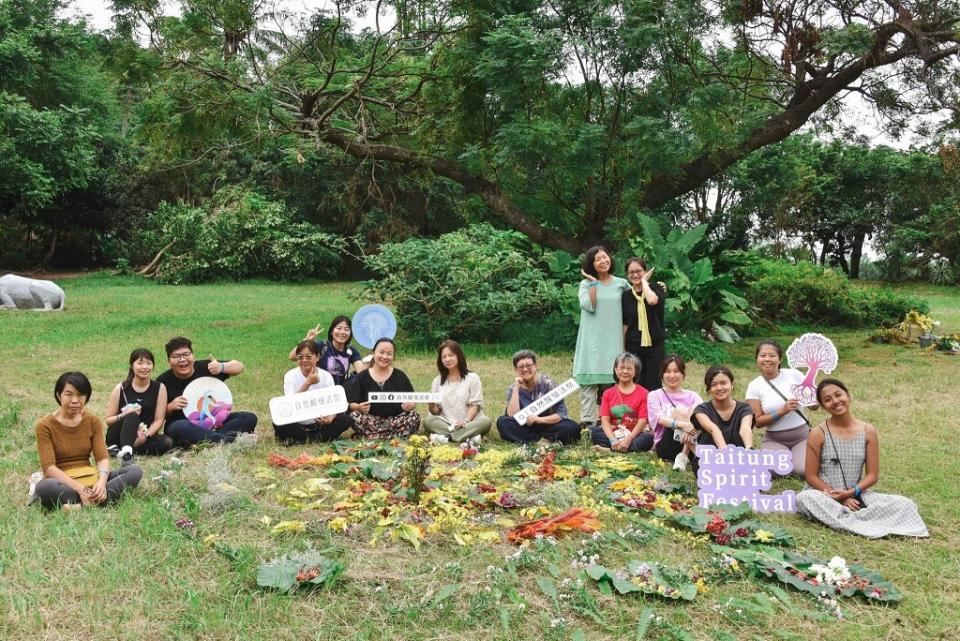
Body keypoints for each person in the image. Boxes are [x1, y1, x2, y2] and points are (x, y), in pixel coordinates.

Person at [796, 379, 928, 538]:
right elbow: (811, 476)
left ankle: (847, 519)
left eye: (838, 395)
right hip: (824, 494)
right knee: (804, 498)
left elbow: (872, 475)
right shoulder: (818, 433)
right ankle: (862, 520)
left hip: (857, 495)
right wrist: (838, 497)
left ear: (848, 396)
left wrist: (850, 493)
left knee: (905, 504)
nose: (835, 401)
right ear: (823, 406)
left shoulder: (868, 431)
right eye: (828, 399)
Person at [34, 372, 142, 510]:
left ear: (87, 397)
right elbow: (49, 467)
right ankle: (98, 501)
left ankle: (79, 506)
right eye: (69, 394)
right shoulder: (44, 425)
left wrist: (102, 483)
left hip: (92, 478)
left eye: (80, 395)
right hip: (64, 482)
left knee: (134, 471)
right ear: (58, 395)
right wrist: (80, 489)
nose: (75, 400)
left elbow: (102, 458)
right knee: (44, 488)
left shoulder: (92, 420)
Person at [156, 336, 258, 446]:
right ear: (169, 362)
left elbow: (239, 367)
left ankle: (211, 439)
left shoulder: (207, 367)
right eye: (176, 356)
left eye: (186, 354)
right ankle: (228, 439)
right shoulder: (163, 381)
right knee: (178, 428)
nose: (182, 359)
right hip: (184, 424)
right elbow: (157, 416)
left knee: (249, 417)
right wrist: (170, 406)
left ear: (193, 356)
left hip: (215, 421)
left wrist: (222, 367)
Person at [573, 246, 630, 426]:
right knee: (589, 382)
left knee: (612, 381)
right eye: (598, 259)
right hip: (592, 340)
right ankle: (587, 422)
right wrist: (593, 284)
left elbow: (638, 298)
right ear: (592, 264)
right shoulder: (585, 284)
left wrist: (656, 287)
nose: (603, 261)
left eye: (605, 257)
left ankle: (610, 419)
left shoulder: (621, 284)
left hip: (614, 339)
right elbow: (589, 305)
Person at [745, 340, 812, 478]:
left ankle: (799, 456)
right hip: (775, 439)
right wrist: (782, 411)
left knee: (803, 471)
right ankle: (765, 455)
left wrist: (809, 397)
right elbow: (757, 422)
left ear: (780, 359)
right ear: (757, 359)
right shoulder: (754, 386)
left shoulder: (794, 375)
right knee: (771, 470)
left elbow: (815, 406)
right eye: (763, 355)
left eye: (772, 355)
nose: (767, 359)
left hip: (802, 437)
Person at [274, 340, 355, 444]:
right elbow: (289, 403)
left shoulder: (326, 376)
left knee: (346, 419)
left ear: (317, 357)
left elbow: (335, 403)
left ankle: (302, 439)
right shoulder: (290, 375)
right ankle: (317, 438)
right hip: (297, 423)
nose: (304, 360)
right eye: (300, 357)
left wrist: (330, 418)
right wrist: (307, 383)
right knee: (278, 422)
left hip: (320, 423)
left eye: (308, 357)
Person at [496, 350, 581, 444]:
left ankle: (538, 439)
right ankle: (538, 441)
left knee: (573, 427)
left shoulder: (548, 384)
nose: (525, 369)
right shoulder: (513, 388)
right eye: (521, 367)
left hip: (547, 424)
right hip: (525, 426)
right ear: (516, 370)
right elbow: (511, 415)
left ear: (535, 366)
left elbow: (561, 414)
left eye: (528, 365)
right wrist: (517, 388)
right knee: (502, 422)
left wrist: (539, 419)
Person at [104, 348, 174, 463]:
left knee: (167, 442)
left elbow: (158, 420)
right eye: (140, 363)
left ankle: (121, 451)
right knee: (132, 416)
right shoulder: (121, 388)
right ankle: (127, 455)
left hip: (143, 435)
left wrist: (144, 437)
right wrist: (124, 414)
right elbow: (108, 420)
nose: (145, 367)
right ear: (132, 365)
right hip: (119, 435)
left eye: (148, 363)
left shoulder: (159, 388)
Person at [346, 337, 421, 439]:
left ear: (393, 357)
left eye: (389, 354)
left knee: (414, 416)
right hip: (371, 420)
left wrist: (410, 405)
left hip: (395, 420)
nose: (385, 356)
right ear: (373, 353)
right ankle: (393, 435)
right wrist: (358, 407)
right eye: (381, 352)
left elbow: (411, 400)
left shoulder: (400, 375)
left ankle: (374, 435)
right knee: (354, 416)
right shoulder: (362, 376)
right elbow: (352, 404)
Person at [690, 365, 754, 472]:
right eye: (714, 385)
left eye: (723, 383)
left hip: (739, 459)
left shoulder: (745, 408)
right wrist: (727, 458)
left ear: (732, 385)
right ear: (709, 389)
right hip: (709, 461)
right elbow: (713, 429)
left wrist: (749, 449)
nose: (719, 388)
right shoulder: (701, 410)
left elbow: (745, 428)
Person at [425, 340, 491, 443]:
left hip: (469, 422)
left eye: (451, 355)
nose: (447, 359)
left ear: (459, 356)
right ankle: (468, 437)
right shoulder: (437, 381)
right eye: (444, 357)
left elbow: (474, 405)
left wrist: (465, 422)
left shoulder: (473, 378)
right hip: (446, 423)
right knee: (428, 421)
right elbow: (436, 412)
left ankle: (447, 438)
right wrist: (431, 404)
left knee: (485, 422)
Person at [648, 355, 704, 470]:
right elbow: (659, 419)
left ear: (683, 374)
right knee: (679, 411)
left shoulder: (693, 395)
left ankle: (684, 455)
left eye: (676, 371)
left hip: (692, 442)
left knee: (697, 411)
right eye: (668, 371)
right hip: (668, 446)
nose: (672, 375)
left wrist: (689, 427)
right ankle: (699, 457)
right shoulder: (655, 395)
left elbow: (702, 416)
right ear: (662, 375)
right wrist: (683, 425)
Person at [589, 352, 652, 452]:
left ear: (635, 371)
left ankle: (609, 449)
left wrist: (629, 439)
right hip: (614, 433)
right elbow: (604, 420)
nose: (625, 371)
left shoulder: (644, 393)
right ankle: (621, 447)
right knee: (592, 431)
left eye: (629, 368)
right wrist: (612, 439)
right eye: (622, 368)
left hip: (635, 435)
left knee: (648, 439)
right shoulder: (607, 393)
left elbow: (643, 420)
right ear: (615, 370)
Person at [622, 257, 667, 392]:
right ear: (627, 275)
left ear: (645, 271)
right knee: (637, 383)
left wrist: (644, 282)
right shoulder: (625, 296)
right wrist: (623, 348)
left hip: (655, 345)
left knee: (654, 383)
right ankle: (638, 413)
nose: (635, 275)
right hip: (634, 346)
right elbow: (625, 324)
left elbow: (652, 301)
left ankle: (653, 413)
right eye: (631, 272)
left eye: (639, 271)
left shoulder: (656, 288)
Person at [288, 315, 369, 385]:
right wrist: (306, 341)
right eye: (339, 328)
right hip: (319, 388)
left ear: (350, 333)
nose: (342, 332)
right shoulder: (322, 346)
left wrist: (373, 357)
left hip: (338, 392)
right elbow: (292, 357)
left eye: (346, 329)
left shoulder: (351, 351)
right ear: (332, 331)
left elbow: (360, 371)